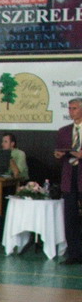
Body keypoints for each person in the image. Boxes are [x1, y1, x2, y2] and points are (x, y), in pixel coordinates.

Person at [54, 98, 82, 265]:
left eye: (75, 108)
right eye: (70, 108)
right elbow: (59, 152)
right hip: (69, 176)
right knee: (70, 217)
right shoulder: (64, 131)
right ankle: (74, 253)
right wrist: (58, 155)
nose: (71, 111)